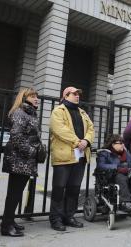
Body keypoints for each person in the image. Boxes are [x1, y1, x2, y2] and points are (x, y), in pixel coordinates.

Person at [49, 87, 94, 231]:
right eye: (74, 94)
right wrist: (77, 142)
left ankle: (69, 216)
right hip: (64, 156)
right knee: (59, 188)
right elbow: (60, 129)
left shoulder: (83, 112)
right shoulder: (58, 111)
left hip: (80, 156)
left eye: (78, 94)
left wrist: (86, 141)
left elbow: (91, 129)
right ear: (65, 95)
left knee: (74, 189)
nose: (77, 96)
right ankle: (56, 218)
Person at [1, 88, 42, 237]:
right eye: (32, 96)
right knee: (14, 193)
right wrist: (32, 151)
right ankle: (6, 226)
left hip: (24, 160)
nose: (36, 98)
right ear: (24, 98)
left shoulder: (30, 113)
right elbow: (16, 136)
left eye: (36, 96)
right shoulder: (20, 113)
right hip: (18, 159)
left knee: (16, 192)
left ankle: (10, 221)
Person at [97, 135, 131, 211]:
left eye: (123, 143)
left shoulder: (126, 153)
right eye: (120, 143)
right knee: (121, 177)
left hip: (127, 174)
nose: (123, 144)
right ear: (113, 144)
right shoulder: (105, 153)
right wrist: (117, 168)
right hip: (113, 176)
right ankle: (125, 202)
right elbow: (101, 165)